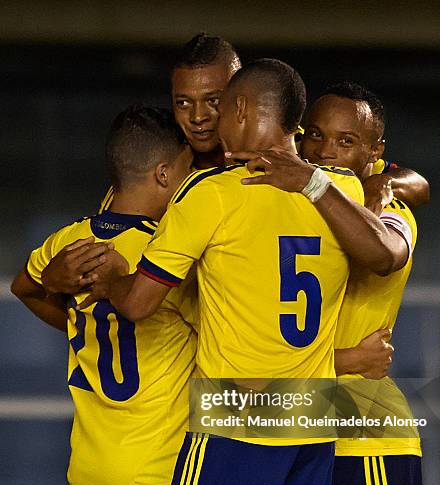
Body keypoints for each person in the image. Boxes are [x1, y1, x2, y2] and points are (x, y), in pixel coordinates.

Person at [82, 58, 417, 485]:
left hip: (235, 412)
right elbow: (384, 253)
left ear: (240, 109)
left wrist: (115, 278)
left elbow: (141, 305)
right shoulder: (341, 193)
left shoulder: (211, 190)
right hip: (312, 417)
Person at [229, 81, 424, 485]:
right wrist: (344, 359)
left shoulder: (386, 214)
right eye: (315, 137)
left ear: (373, 153)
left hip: (363, 432)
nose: (323, 153)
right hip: (288, 424)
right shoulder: (273, 211)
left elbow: (385, 249)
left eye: (345, 142)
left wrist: (383, 185)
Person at [39, 33, 428, 297]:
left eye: (214, 100)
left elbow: (415, 183)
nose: (199, 116)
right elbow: (105, 291)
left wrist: (388, 183)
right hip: (189, 383)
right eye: (183, 102)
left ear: (242, 99)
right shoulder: (155, 176)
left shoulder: (291, 165)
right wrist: (53, 281)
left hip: (272, 378)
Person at [11, 106, 196, 485]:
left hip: (91, 475)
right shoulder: (167, 254)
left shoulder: (68, 242)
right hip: (157, 474)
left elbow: (22, 286)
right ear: (164, 173)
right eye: (187, 171)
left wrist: (66, 306)